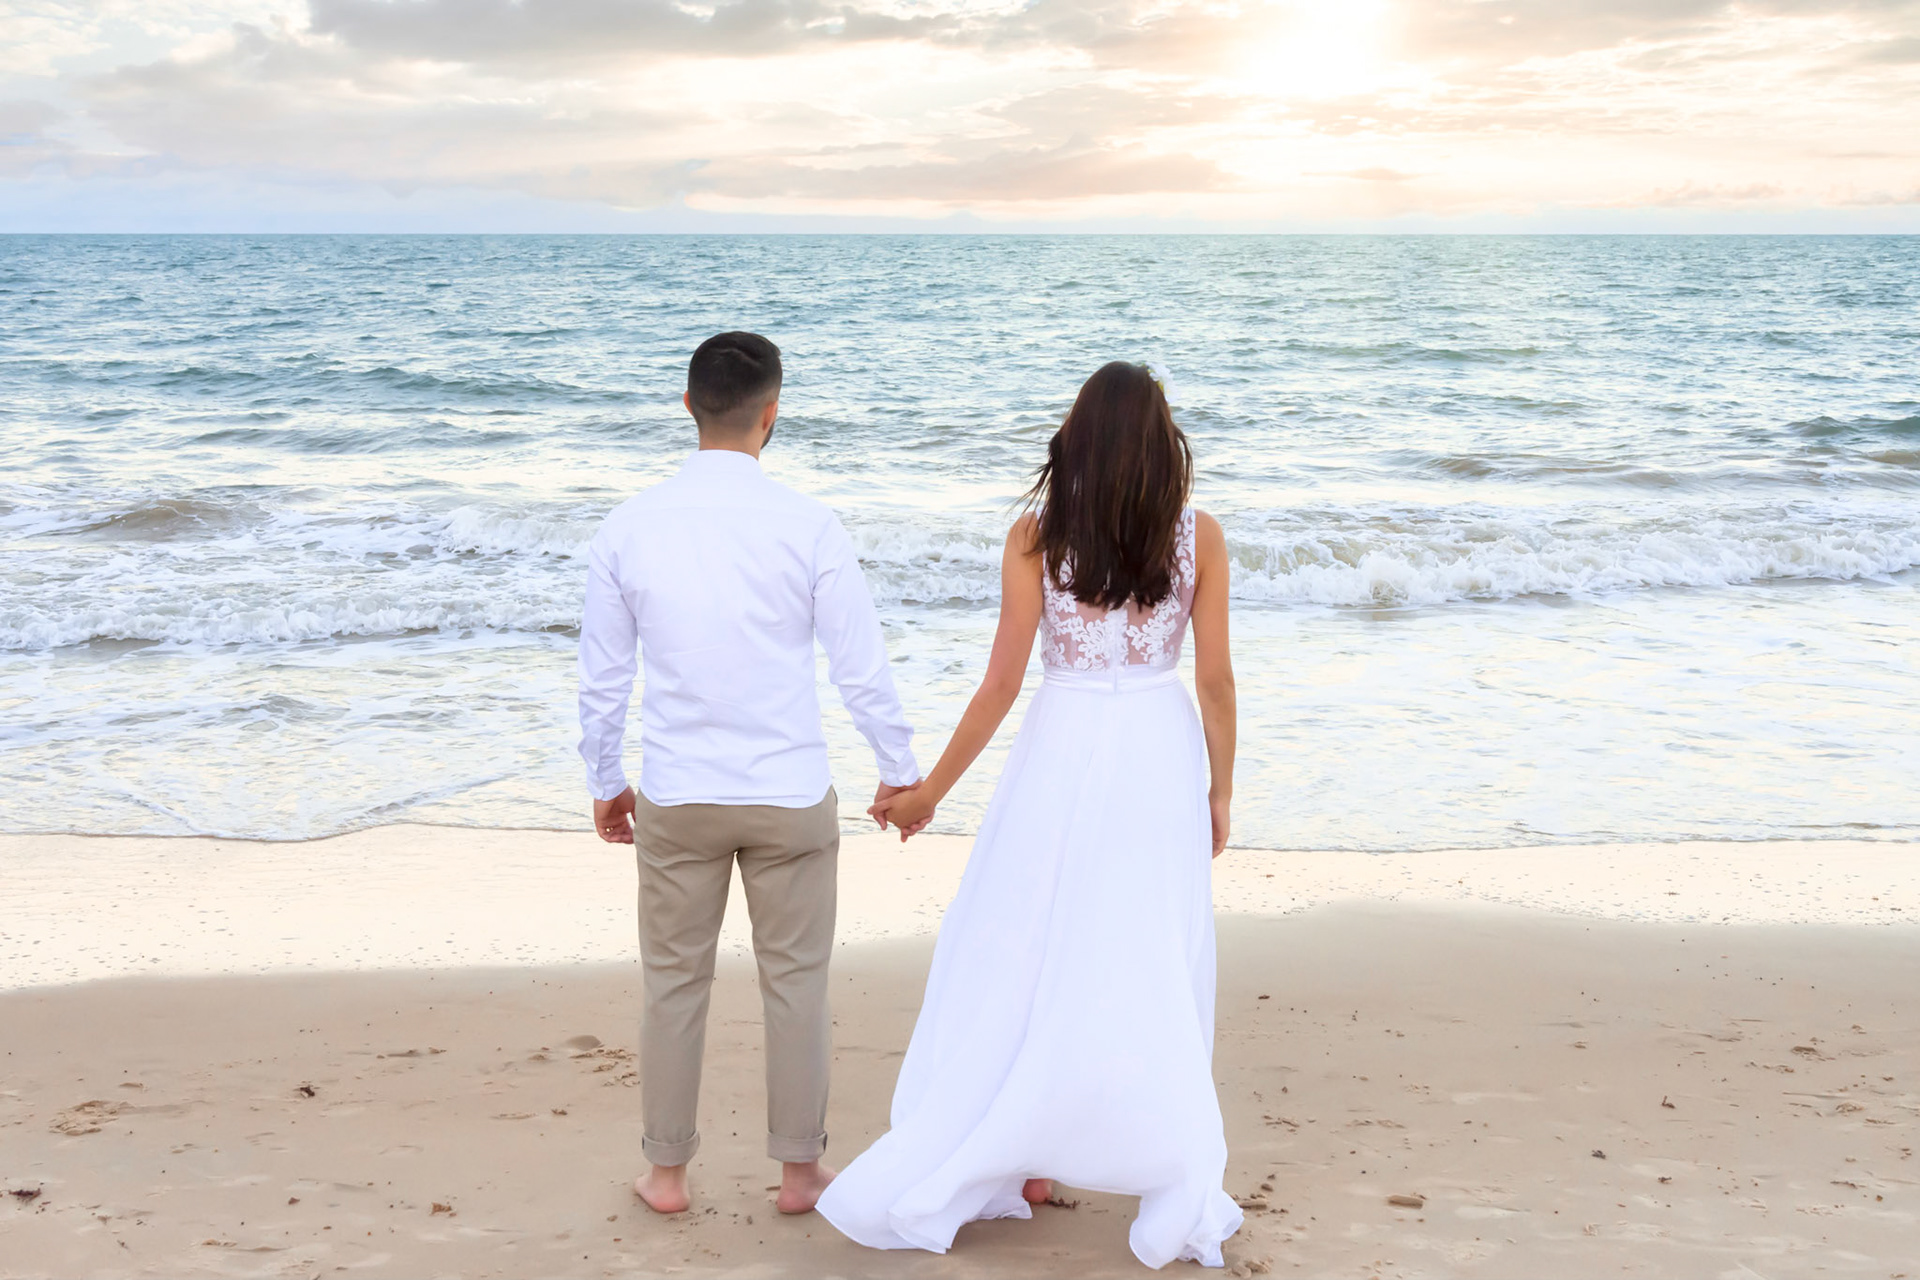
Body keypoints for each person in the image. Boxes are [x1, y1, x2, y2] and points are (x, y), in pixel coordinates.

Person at [816, 361, 1242, 1269]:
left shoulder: (1034, 540)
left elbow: (1002, 684)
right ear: (1163, 442)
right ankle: (1119, 1147)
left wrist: (930, 790)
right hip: (1159, 753)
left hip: (1063, 744)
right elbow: (1214, 683)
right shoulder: (1198, 537)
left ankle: (1027, 1149)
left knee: (1031, 942)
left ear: (1077, 438)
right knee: (1143, 950)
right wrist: (1220, 789)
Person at [576, 331, 921, 1216]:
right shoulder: (808, 524)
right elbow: (859, 667)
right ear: (773, 414)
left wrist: (606, 780)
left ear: (687, 406)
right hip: (789, 794)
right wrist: (900, 774)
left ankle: (666, 1174)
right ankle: (800, 1173)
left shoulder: (630, 524)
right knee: (797, 983)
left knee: (673, 984)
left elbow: (604, 676)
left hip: (680, 793)